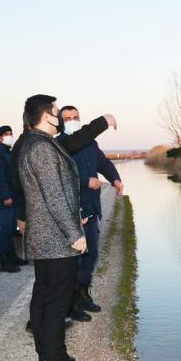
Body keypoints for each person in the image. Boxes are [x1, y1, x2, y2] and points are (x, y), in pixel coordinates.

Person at [18, 94, 92, 361]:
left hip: (47, 235)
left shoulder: (33, 143)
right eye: (57, 112)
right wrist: (74, 233)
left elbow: (55, 193)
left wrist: (77, 215)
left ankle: (47, 355)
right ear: (46, 115)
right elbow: (54, 195)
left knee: (45, 297)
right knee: (57, 303)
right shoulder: (42, 147)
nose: (61, 116)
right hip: (56, 240)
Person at [59, 105, 123, 318]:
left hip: (92, 208)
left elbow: (103, 163)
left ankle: (83, 294)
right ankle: (71, 303)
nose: (72, 120)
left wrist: (115, 178)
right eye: (67, 118)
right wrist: (87, 182)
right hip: (72, 212)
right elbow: (60, 179)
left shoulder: (90, 143)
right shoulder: (59, 145)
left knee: (91, 254)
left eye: (75, 117)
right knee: (75, 259)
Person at [0, 125, 26, 272]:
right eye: (6, 134)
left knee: (10, 229)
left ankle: (12, 256)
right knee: (5, 230)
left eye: (10, 133)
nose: (9, 136)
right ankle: (3, 261)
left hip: (14, 197)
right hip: (6, 199)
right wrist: (6, 196)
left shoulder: (8, 153)